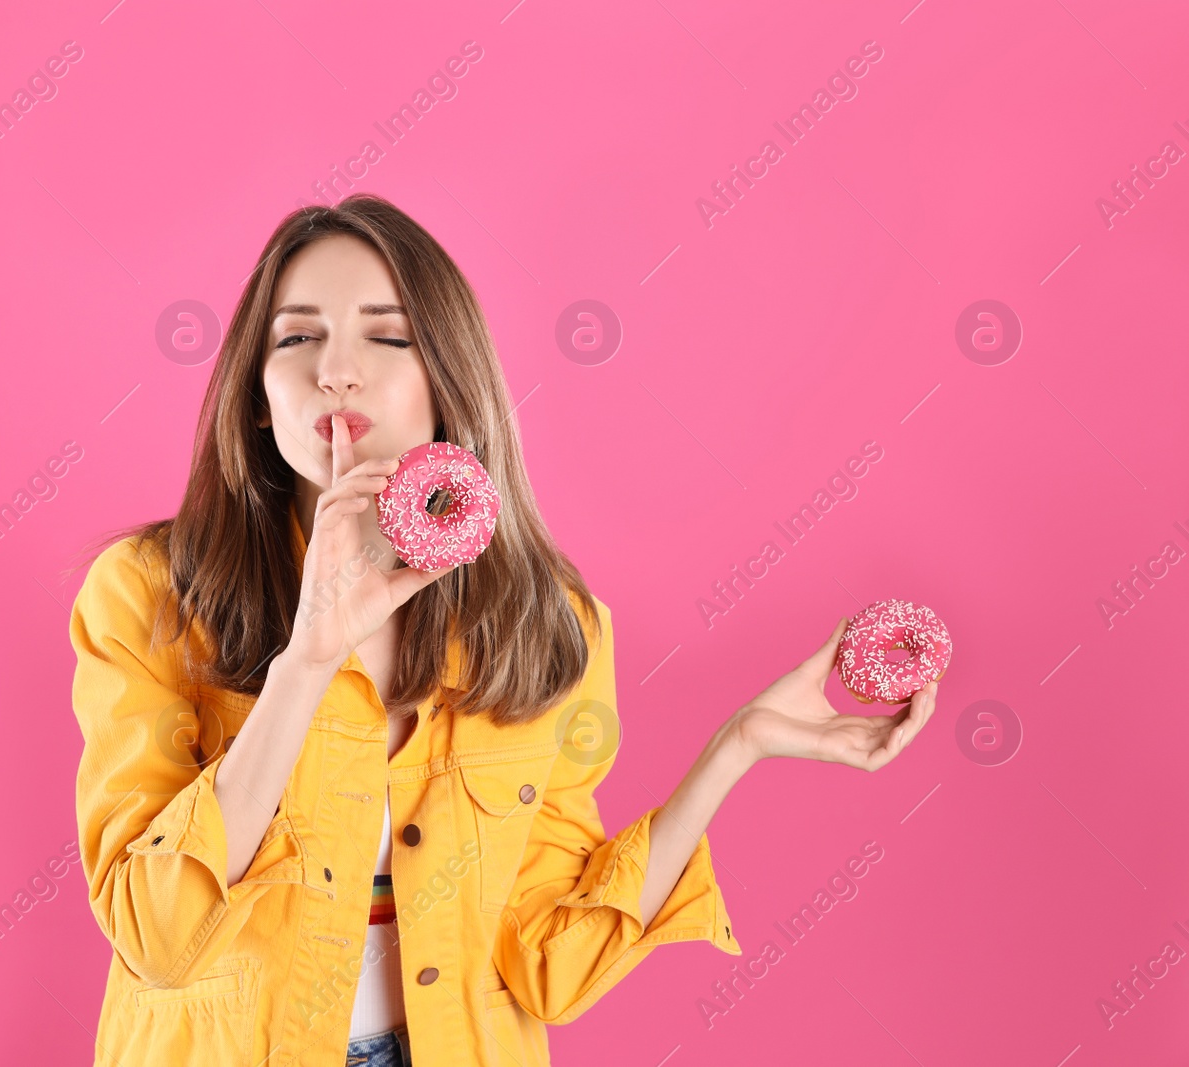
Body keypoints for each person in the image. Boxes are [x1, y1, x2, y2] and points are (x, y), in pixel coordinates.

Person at [65, 193, 938, 1067]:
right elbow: (158, 935)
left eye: (388, 335)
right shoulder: (146, 597)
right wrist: (309, 657)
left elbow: (548, 965)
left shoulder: (546, 621)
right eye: (296, 338)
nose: (336, 369)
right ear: (258, 399)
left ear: (448, 379)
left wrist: (737, 746)